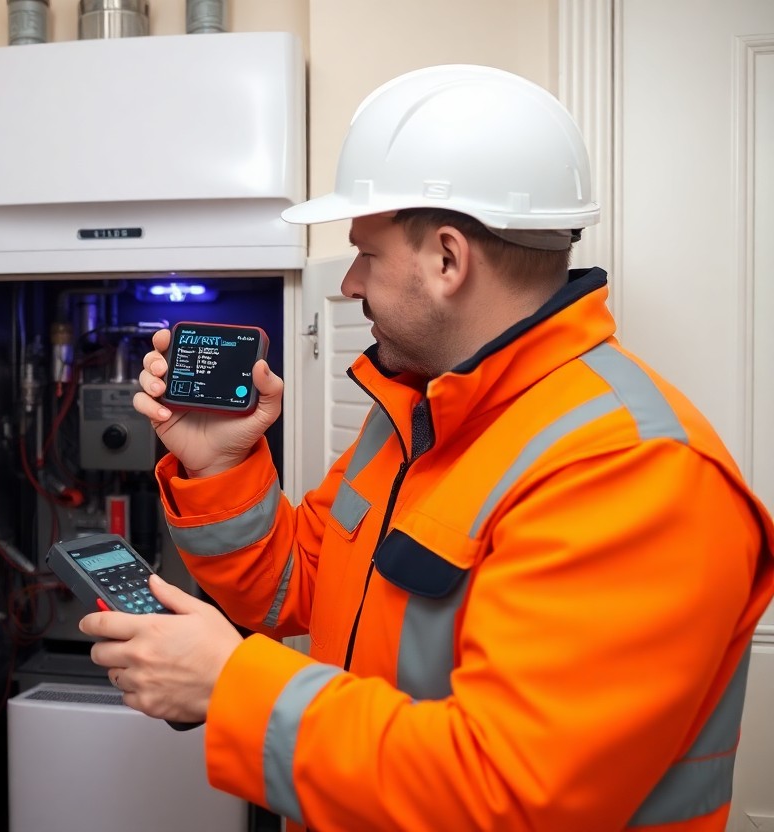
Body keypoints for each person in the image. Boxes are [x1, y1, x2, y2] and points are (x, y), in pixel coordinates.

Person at [78, 64, 774, 831]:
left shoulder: (634, 474)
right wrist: (221, 464)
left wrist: (231, 686)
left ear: (448, 260)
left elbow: (507, 796)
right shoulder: (420, 410)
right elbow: (293, 590)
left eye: (366, 254)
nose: (348, 283)